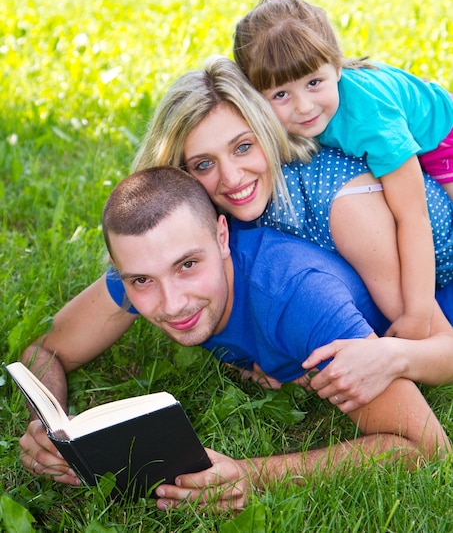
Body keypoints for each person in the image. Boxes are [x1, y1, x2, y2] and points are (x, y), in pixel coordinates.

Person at [19, 166, 451, 511]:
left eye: (188, 265)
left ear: (222, 237)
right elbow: (43, 350)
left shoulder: (295, 297)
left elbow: (425, 446)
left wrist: (251, 472)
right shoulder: (143, 265)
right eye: (141, 281)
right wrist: (46, 422)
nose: (171, 304)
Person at [233, 0, 453, 341]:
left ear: (336, 67)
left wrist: (417, 314)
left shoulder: (371, 121)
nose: (304, 106)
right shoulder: (283, 115)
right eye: (281, 93)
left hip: (443, 136)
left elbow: (412, 217)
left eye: (314, 83)